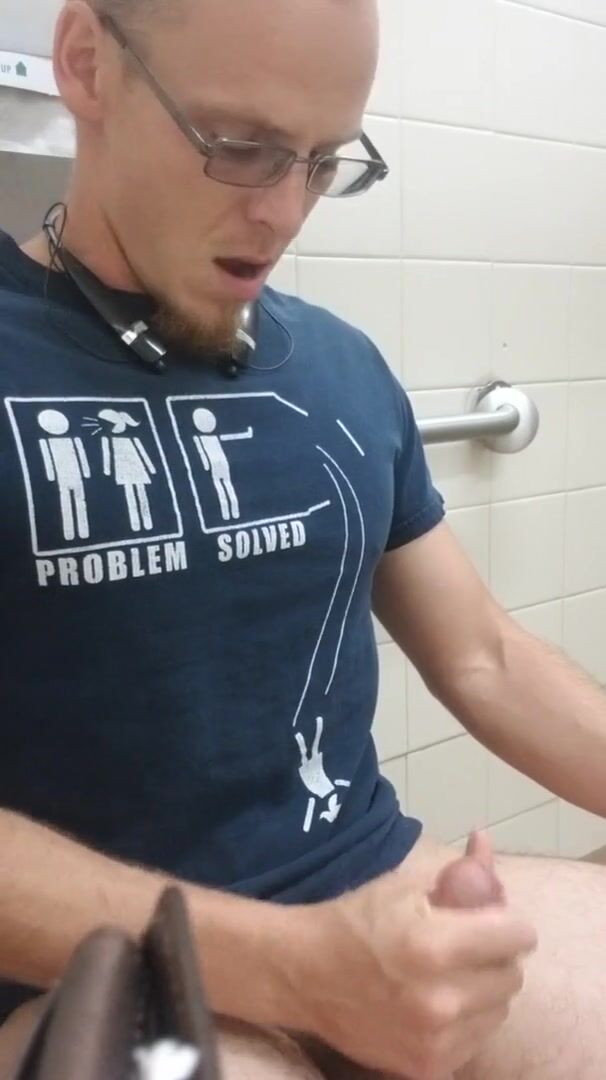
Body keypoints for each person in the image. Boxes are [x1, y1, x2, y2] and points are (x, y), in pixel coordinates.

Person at [1, 1, 606, 1077]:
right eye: (241, 147)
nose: (284, 212)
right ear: (88, 65)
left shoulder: (339, 369)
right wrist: (300, 970)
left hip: (368, 890)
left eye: (325, 162)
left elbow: (486, 657)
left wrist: (348, 961)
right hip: (97, 973)